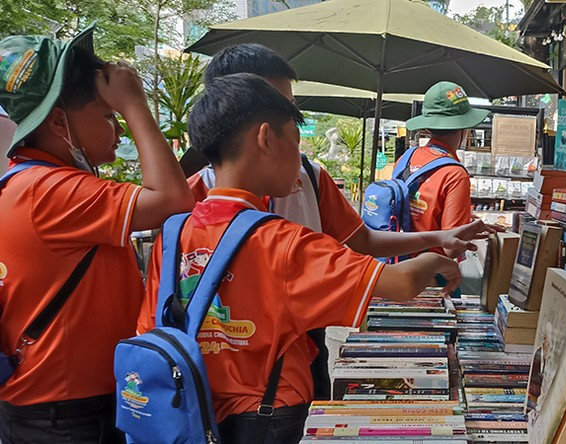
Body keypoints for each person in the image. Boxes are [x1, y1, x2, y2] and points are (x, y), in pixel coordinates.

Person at [138, 73, 462, 443]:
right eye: (295, 141)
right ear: (265, 138)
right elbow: (401, 283)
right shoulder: (285, 241)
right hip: (269, 413)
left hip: (192, 407)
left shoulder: (174, 233)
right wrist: (438, 261)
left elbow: (153, 324)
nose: (299, 157)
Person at [188, 43, 493, 400]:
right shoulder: (272, 235)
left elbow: (362, 241)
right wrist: (431, 259)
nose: (293, 118)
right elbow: (398, 281)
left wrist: (438, 238)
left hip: (297, 354)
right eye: (284, 112)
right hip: (245, 387)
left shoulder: (309, 180)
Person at [0, 26, 193, 443]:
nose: (120, 129)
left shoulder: (29, 183)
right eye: (109, 117)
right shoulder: (49, 191)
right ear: (58, 122)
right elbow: (174, 199)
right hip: (66, 416)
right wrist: (135, 104)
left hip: (57, 407)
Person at [403, 81, 491, 253]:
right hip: (431, 274)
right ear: (464, 128)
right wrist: (469, 231)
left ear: (428, 126)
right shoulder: (454, 174)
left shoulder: (408, 157)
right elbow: (452, 248)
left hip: (399, 264)